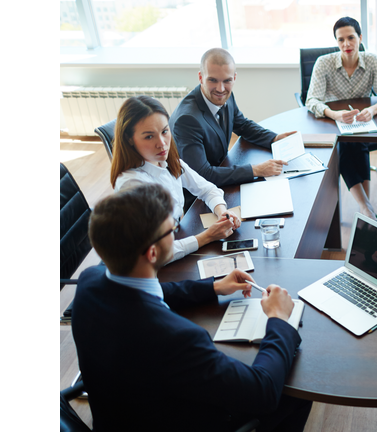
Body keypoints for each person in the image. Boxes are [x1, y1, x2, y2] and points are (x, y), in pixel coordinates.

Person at [71, 183, 312, 431]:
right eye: (172, 229)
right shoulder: (177, 338)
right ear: (152, 253)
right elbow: (263, 392)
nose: (175, 233)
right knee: (296, 392)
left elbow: (149, 292)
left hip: (117, 416)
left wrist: (213, 287)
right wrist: (279, 318)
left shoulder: (90, 281)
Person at [110, 95, 238, 263]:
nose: (162, 143)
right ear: (129, 140)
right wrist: (207, 236)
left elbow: (207, 189)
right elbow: (156, 254)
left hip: (177, 238)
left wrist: (223, 212)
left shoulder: (167, 161)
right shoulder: (132, 185)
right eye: (149, 136)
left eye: (164, 131)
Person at [305, 16, 377, 221]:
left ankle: (365, 209)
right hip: (331, 124)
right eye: (341, 40)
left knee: (356, 142)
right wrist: (334, 114)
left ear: (360, 38)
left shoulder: (372, 60)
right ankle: (366, 208)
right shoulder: (324, 63)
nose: (346, 44)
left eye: (351, 38)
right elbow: (311, 100)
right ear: (336, 41)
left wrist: (373, 110)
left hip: (362, 122)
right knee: (347, 144)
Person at [170, 47, 296, 188]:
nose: (220, 89)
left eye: (227, 81)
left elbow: (242, 124)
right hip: (200, 194)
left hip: (223, 172)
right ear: (200, 77)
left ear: (234, 78)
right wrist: (256, 170)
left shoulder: (225, 96)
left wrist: (274, 138)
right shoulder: (187, 120)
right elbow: (202, 174)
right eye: (212, 80)